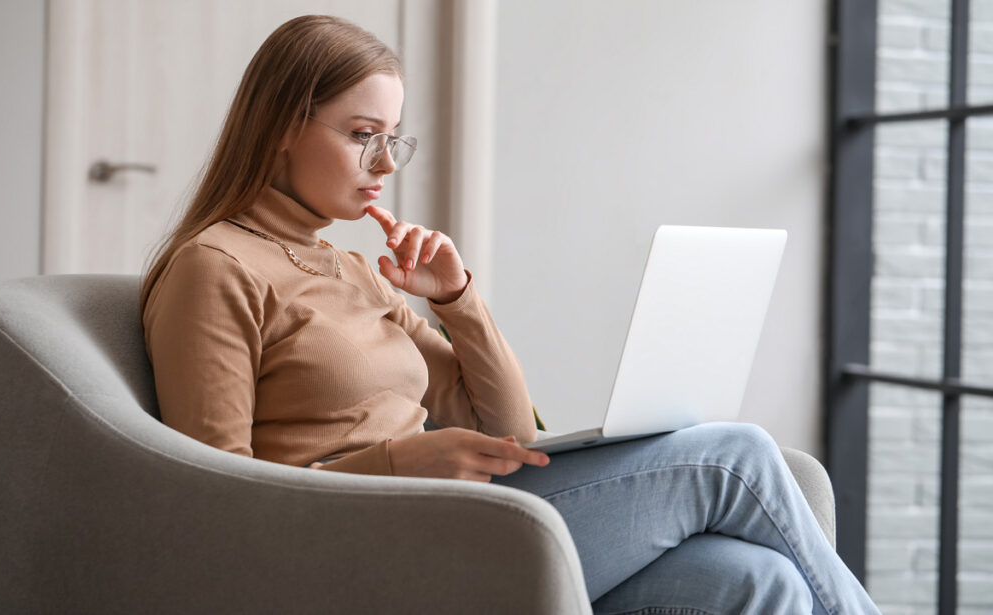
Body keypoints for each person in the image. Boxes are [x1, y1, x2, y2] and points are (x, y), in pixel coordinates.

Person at [142, 15, 880, 614]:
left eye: (392, 139)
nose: (386, 164)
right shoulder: (216, 267)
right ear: (281, 126)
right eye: (361, 134)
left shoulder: (355, 269)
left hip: (454, 516)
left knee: (759, 580)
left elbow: (511, 431)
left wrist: (457, 299)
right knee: (733, 454)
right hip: (364, 545)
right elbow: (212, 497)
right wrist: (400, 463)